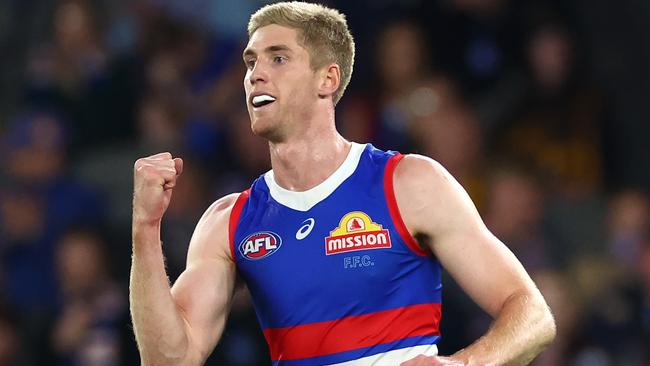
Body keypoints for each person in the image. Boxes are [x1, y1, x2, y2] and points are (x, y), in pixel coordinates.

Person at [129, 2, 556, 365]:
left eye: (278, 58)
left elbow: (532, 314)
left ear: (327, 79)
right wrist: (145, 232)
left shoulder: (408, 184)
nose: (256, 74)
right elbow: (170, 359)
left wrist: (466, 363)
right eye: (251, 61)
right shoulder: (229, 221)